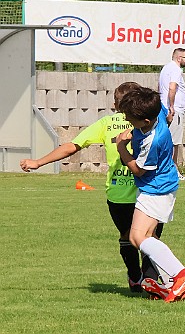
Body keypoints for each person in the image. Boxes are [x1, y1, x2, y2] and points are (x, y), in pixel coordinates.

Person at [19, 82, 164, 292]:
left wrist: (38, 162)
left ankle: (135, 277)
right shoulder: (152, 121)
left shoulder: (106, 123)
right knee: (150, 238)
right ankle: (150, 282)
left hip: (119, 194)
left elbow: (72, 146)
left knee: (127, 236)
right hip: (150, 190)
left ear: (115, 103)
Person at [116, 87, 185, 302]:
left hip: (156, 189)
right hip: (161, 186)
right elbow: (164, 107)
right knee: (148, 237)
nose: (126, 119)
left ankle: (182, 274)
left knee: (137, 237)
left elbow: (138, 170)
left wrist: (121, 147)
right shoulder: (157, 110)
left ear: (144, 120)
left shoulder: (152, 141)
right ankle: (169, 284)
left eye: (129, 117)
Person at [159, 47, 185, 180]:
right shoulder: (176, 69)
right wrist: (171, 107)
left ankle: (169, 169)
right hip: (174, 109)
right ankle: (172, 171)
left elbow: (159, 87)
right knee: (173, 142)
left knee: (167, 141)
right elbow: (172, 87)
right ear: (179, 58)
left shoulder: (165, 68)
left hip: (163, 108)